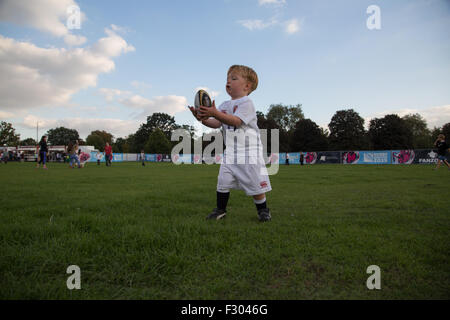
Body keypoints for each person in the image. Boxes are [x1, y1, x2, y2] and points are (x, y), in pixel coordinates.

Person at [189, 65, 272, 222]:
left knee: (255, 185)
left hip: (249, 152)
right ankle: (220, 210)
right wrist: (202, 117)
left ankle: (263, 210)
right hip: (231, 152)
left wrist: (215, 113)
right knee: (223, 181)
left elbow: (236, 121)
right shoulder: (224, 105)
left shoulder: (246, 103)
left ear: (247, 86)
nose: (228, 81)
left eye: (234, 78)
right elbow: (215, 123)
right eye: (227, 79)